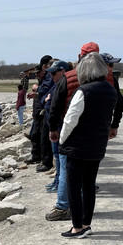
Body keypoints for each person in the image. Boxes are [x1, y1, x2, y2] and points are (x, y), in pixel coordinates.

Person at [45, 42, 122, 221]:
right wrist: (114, 125)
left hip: (72, 135)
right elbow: (119, 103)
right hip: (97, 135)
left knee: (67, 171)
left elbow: (57, 105)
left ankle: (64, 208)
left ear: (80, 57)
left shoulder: (70, 77)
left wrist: (54, 130)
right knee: (88, 180)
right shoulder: (109, 79)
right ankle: (84, 215)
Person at [58, 52, 117, 238]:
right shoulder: (110, 90)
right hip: (97, 144)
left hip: (78, 146)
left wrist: (62, 140)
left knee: (74, 186)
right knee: (89, 185)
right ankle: (86, 223)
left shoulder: (84, 91)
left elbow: (70, 119)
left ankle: (77, 226)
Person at [42, 60, 70, 192]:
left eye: (54, 73)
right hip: (54, 127)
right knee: (57, 156)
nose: (51, 76)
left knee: (60, 158)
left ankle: (59, 184)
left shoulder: (63, 85)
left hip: (59, 128)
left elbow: (52, 104)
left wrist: (48, 100)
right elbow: (44, 101)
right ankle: (57, 181)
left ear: (63, 71)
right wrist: (46, 100)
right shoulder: (56, 85)